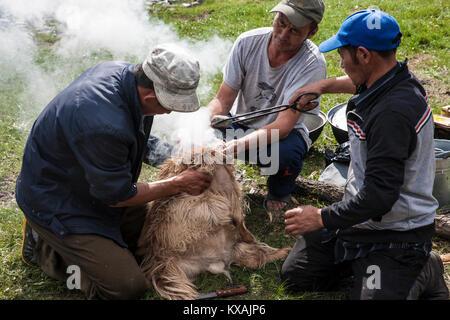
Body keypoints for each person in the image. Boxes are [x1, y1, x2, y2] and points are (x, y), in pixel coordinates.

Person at [17, 43, 212, 300]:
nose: (168, 112)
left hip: (92, 185)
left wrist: (178, 156)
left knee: (149, 242)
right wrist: (178, 183)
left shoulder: (126, 78)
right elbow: (119, 195)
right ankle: (46, 249)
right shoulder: (103, 123)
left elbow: (133, 139)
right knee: (127, 286)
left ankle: (85, 245)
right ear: (152, 97)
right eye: (169, 106)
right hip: (59, 203)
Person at [281, 9, 449, 300]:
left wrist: (321, 217)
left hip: (396, 235)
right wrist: (321, 86)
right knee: (297, 276)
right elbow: (354, 83)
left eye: (343, 55)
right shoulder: (390, 79)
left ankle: (423, 267)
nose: (342, 63)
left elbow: (379, 197)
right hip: (358, 221)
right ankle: (364, 266)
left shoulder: (392, 114)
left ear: (363, 54)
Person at [207, 0, 327, 211]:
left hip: (280, 137)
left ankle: (280, 189)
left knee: (286, 155)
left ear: (312, 32)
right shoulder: (247, 42)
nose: (282, 34)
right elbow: (223, 100)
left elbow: (283, 126)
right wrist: (200, 124)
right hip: (240, 124)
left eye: (294, 30)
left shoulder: (312, 64)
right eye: (280, 22)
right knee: (202, 140)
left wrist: (234, 147)